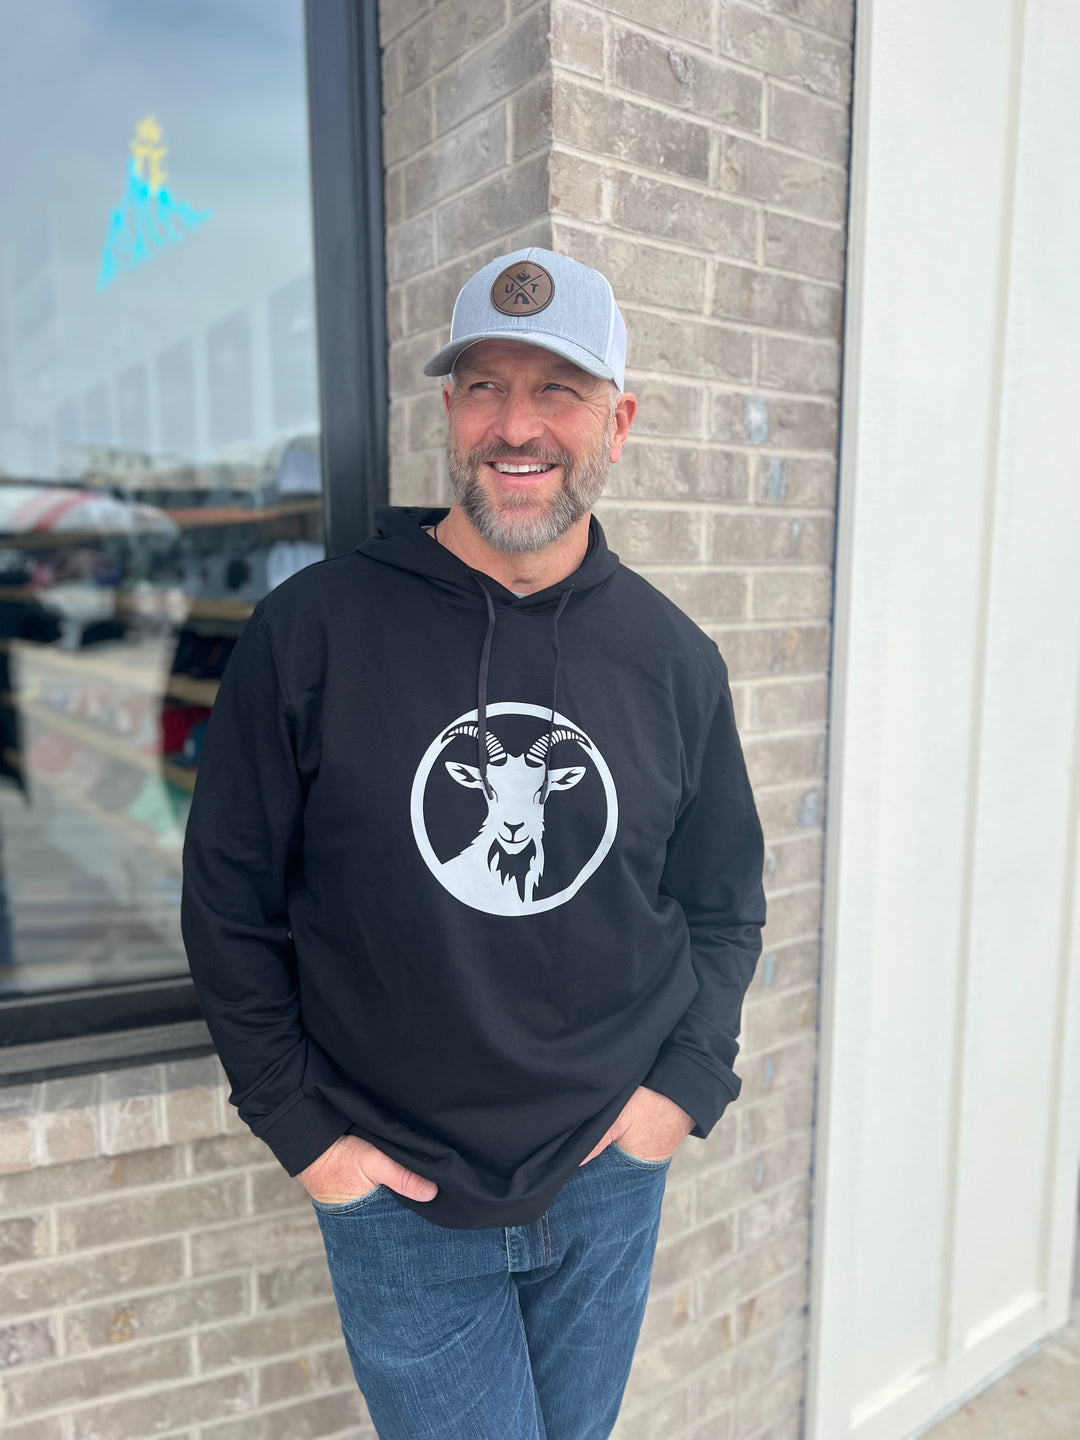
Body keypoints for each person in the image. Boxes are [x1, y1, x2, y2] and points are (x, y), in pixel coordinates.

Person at [181, 247, 766, 1440]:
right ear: (449, 410)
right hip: (397, 1192)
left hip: (608, 1179)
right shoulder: (313, 635)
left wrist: (680, 1094)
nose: (518, 425)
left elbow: (722, 902)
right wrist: (306, 1135)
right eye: (486, 386)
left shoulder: (674, 661)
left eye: (558, 389)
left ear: (620, 420)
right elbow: (229, 903)